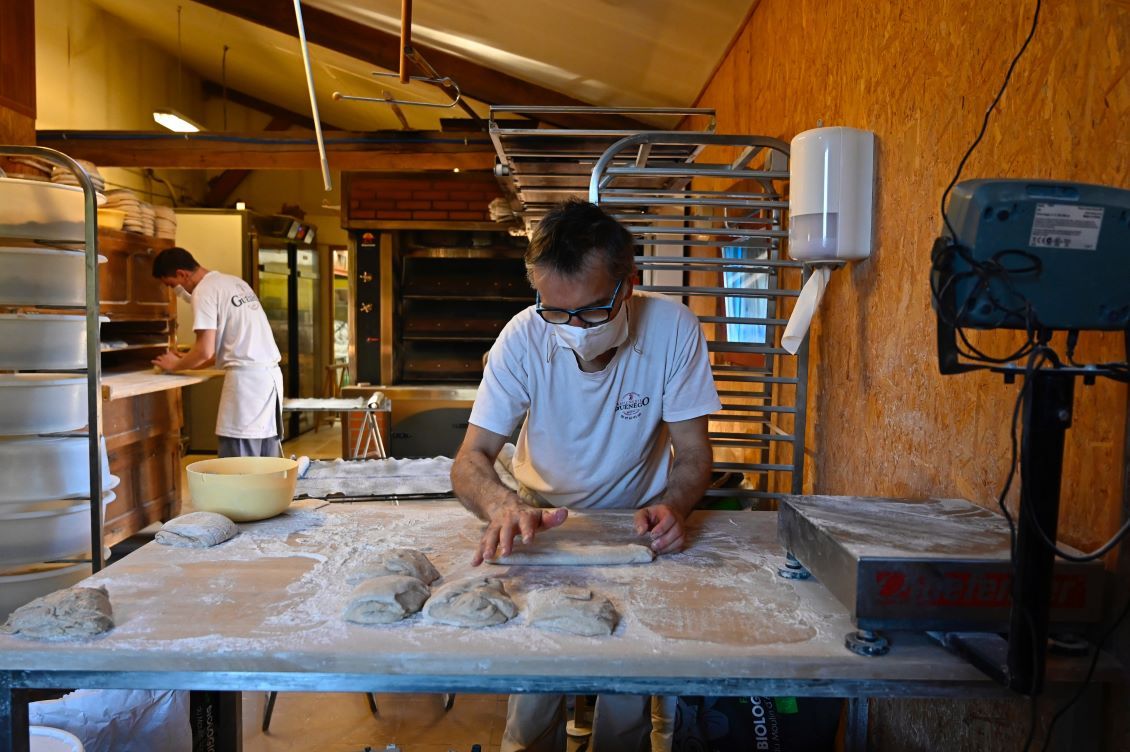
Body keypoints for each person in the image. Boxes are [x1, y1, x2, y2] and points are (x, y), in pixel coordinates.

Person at [450, 199, 721, 752]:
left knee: (624, 707)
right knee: (533, 705)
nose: (574, 329)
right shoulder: (523, 338)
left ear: (629, 285)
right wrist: (503, 507)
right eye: (556, 311)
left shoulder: (672, 328)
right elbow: (471, 458)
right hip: (538, 528)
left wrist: (676, 507)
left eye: (593, 311)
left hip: (635, 530)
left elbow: (693, 452)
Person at [151, 247, 284, 459]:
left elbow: (204, 351)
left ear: (181, 274)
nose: (173, 291)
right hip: (269, 380)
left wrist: (173, 365)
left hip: (247, 386)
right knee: (266, 462)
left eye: (171, 285)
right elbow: (216, 352)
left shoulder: (204, 292)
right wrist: (185, 361)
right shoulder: (233, 283)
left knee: (238, 465)